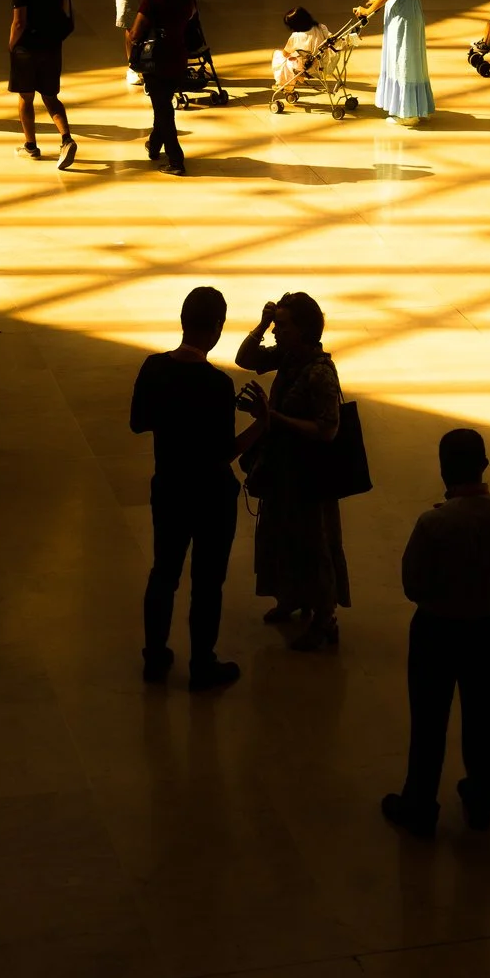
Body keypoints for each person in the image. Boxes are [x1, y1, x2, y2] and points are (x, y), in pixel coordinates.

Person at [385, 429, 490, 836]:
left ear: (443, 468)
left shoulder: (434, 522)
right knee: (484, 717)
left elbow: (412, 585)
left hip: (437, 629)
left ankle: (419, 802)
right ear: (484, 464)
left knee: (429, 720)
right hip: (489, 626)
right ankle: (481, 797)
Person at [133, 286, 258, 689]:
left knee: (163, 572)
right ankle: (202, 663)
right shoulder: (217, 385)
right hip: (210, 496)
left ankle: (155, 657)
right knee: (207, 582)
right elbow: (225, 452)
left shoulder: (153, 367)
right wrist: (264, 423)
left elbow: (139, 421)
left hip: (168, 485)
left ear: (183, 322)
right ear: (217, 328)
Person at [236, 292, 351, 651]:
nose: (276, 333)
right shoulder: (289, 355)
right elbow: (246, 358)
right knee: (280, 534)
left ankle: (324, 617)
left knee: (314, 544)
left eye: (282, 326)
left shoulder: (319, 372)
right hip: (285, 467)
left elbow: (328, 429)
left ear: (303, 330)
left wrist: (273, 419)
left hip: (310, 475)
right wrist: (262, 324)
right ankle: (290, 596)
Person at [7, 0, 77, 167]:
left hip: (28, 47)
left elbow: (20, 21)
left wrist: (12, 44)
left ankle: (31, 146)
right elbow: (65, 8)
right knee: (50, 95)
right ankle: (66, 138)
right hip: (51, 44)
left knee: (26, 98)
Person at [357, 0, 432, 127]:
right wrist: (378, 2)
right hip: (407, 12)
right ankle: (413, 107)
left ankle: (408, 113)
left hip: (403, 18)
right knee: (408, 58)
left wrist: (366, 11)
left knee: (403, 59)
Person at [130, 0, 196, 175]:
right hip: (178, 57)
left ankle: (176, 160)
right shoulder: (185, 0)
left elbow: (134, 34)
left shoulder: (151, 2)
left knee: (164, 112)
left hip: (156, 61)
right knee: (163, 102)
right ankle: (154, 145)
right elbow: (191, 14)